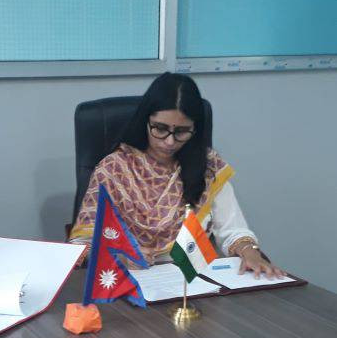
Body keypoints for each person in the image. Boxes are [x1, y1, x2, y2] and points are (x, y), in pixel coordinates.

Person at [69, 72, 283, 279]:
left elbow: (233, 230)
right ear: (146, 121)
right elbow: (83, 243)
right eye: (160, 129)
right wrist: (118, 256)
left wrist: (249, 252)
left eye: (181, 131)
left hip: (193, 282)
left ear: (195, 130)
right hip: (127, 282)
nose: (169, 141)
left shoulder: (208, 168)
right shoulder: (114, 169)